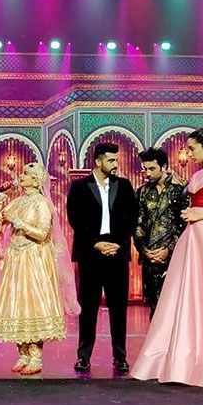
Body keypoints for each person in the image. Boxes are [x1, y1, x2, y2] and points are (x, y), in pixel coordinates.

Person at [131, 126, 203, 389]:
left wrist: (200, 214)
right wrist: (192, 215)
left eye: (193, 148)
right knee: (188, 294)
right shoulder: (195, 176)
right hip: (193, 237)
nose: (189, 153)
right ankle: (184, 356)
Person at [0, 162, 80, 375]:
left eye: (26, 174)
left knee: (33, 304)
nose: (21, 176)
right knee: (17, 304)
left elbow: (42, 233)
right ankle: (23, 354)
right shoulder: (18, 201)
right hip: (15, 258)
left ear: (36, 180)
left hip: (34, 258)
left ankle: (36, 357)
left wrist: (18, 222)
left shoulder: (42, 203)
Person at [67, 142, 137, 373]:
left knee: (119, 308)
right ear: (98, 161)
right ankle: (84, 356)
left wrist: (117, 244)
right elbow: (75, 219)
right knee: (88, 308)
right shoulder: (79, 187)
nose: (115, 164)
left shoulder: (124, 185)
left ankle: (120, 357)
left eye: (116, 160)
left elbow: (131, 219)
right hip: (90, 254)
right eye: (111, 160)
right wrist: (96, 243)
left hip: (117, 253)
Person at [133, 147, 189, 320]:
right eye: (145, 169)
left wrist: (169, 250)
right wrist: (145, 251)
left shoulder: (181, 189)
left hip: (175, 257)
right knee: (155, 309)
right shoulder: (142, 192)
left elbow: (185, 225)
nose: (148, 173)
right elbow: (138, 225)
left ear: (164, 167)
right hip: (150, 259)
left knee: (176, 308)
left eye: (152, 169)